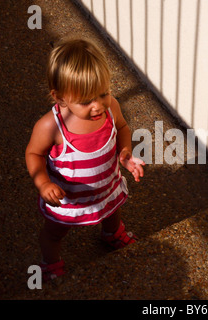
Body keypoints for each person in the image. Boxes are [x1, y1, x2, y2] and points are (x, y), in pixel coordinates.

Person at [25, 37, 145, 282]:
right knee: (54, 233)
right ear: (60, 98)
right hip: (68, 200)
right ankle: (51, 263)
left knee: (112, 211)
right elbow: (33, 154)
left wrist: (125, 152)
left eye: (103, 93)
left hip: (107, 187)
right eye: (86, 101)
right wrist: (44, 184)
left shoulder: (111, 106)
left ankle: (112, 234)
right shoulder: (51, 126)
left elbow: (122, 128)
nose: (98, 105)